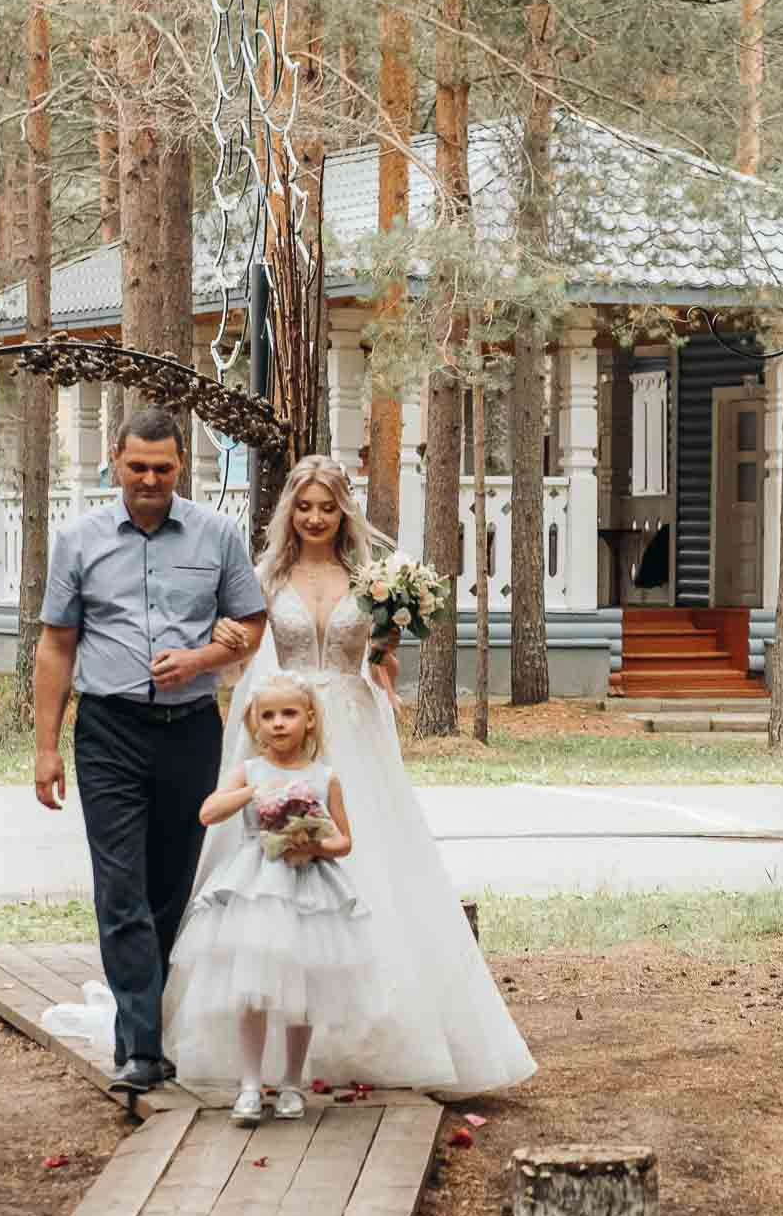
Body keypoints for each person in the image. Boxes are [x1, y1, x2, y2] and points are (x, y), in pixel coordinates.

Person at [199, 453, 535, 1096]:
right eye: (304, 507)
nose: (316, 518)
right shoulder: (267, 576)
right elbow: (242, 644)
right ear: (289, 513)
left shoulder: (374, 576)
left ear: (343, 511)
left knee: (373, 861)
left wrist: (387, 663)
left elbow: (383, 657)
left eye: (327, 507)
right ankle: (269, 1038)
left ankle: (381, 1024)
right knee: (277, 869)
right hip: (288, 723)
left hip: (352, 725)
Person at [33, 407, 266, 1095]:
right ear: (116, 459)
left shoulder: (218, 535)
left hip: (191, 728)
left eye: (163, 469)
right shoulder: (77, 539)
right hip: (108, 730)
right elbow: (56, 644)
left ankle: (147, 1023)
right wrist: (45, 747)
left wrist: (199, 660)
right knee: (121, 886)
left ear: (180, 466)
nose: (150, 479)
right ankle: (141, 1046)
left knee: (170, 886)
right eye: (138, 466)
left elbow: (251, 623)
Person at [164, 674, 378, 1123]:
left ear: (310, 720)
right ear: (254, 723)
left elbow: (345, 841)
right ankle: (247, 1084)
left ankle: (291, 1083)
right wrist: (253, 792)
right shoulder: (250, 772)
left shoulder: (324, 777)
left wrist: (314, 844)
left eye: (289, 714)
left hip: (307, 890)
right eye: (268, 716)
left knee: (300, 989)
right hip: (257, 887)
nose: (279, 724)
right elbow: (208, 812)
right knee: (253, 988)